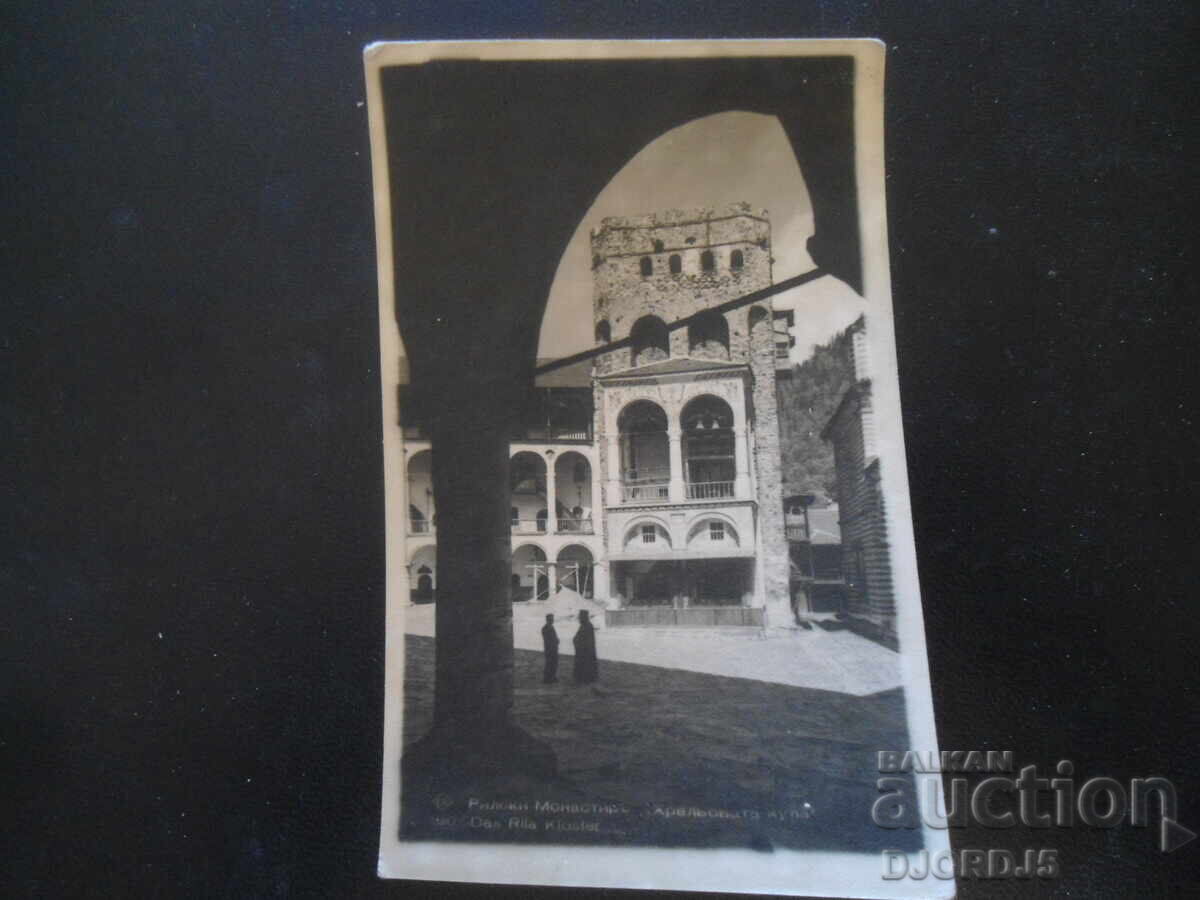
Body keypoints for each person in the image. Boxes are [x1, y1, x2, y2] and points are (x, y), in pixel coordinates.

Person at [572, 610, 598, 684]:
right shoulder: (584, 625)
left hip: (586, 650)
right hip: (583, 650)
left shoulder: (588, 626)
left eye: (581, 617)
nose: (579, 619)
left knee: (586, 665)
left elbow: (587, 640)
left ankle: (585, 678)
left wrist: (578, 643)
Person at [541, 614, 559, 684]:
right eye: (551, 619)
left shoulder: (550, 627)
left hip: (553, 648)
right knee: (549, 664)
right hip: (550, 649)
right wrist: (555, 642)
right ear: (547, 620)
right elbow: (548, 639)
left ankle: (552, 677)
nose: (552, 620)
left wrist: (557, 641)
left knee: (554, 663)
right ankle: (547, 679)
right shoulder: (545, 628)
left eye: (552, 619)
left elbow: (553, 637)